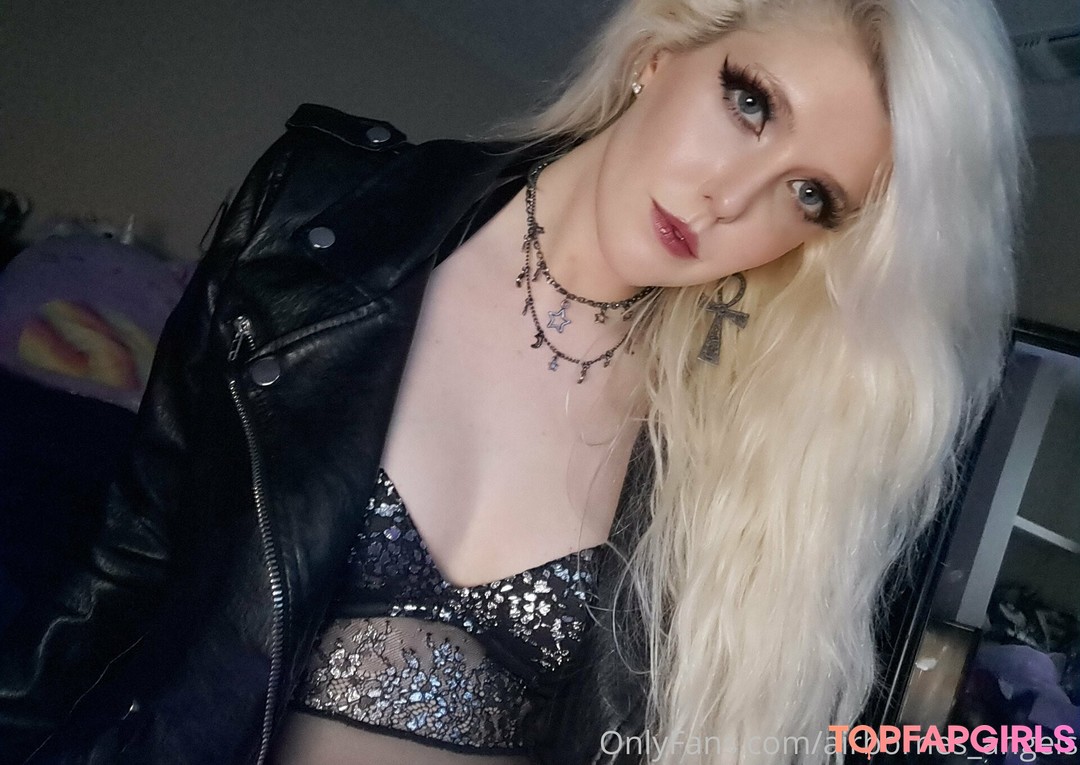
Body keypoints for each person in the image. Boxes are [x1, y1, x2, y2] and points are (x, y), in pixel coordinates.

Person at [0, 0, 1025, 763]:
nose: (731, 197)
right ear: (664, 50)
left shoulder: (735, 440)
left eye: (809, 194)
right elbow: (125, 563)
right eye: (749, 103)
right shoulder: (323, 214)